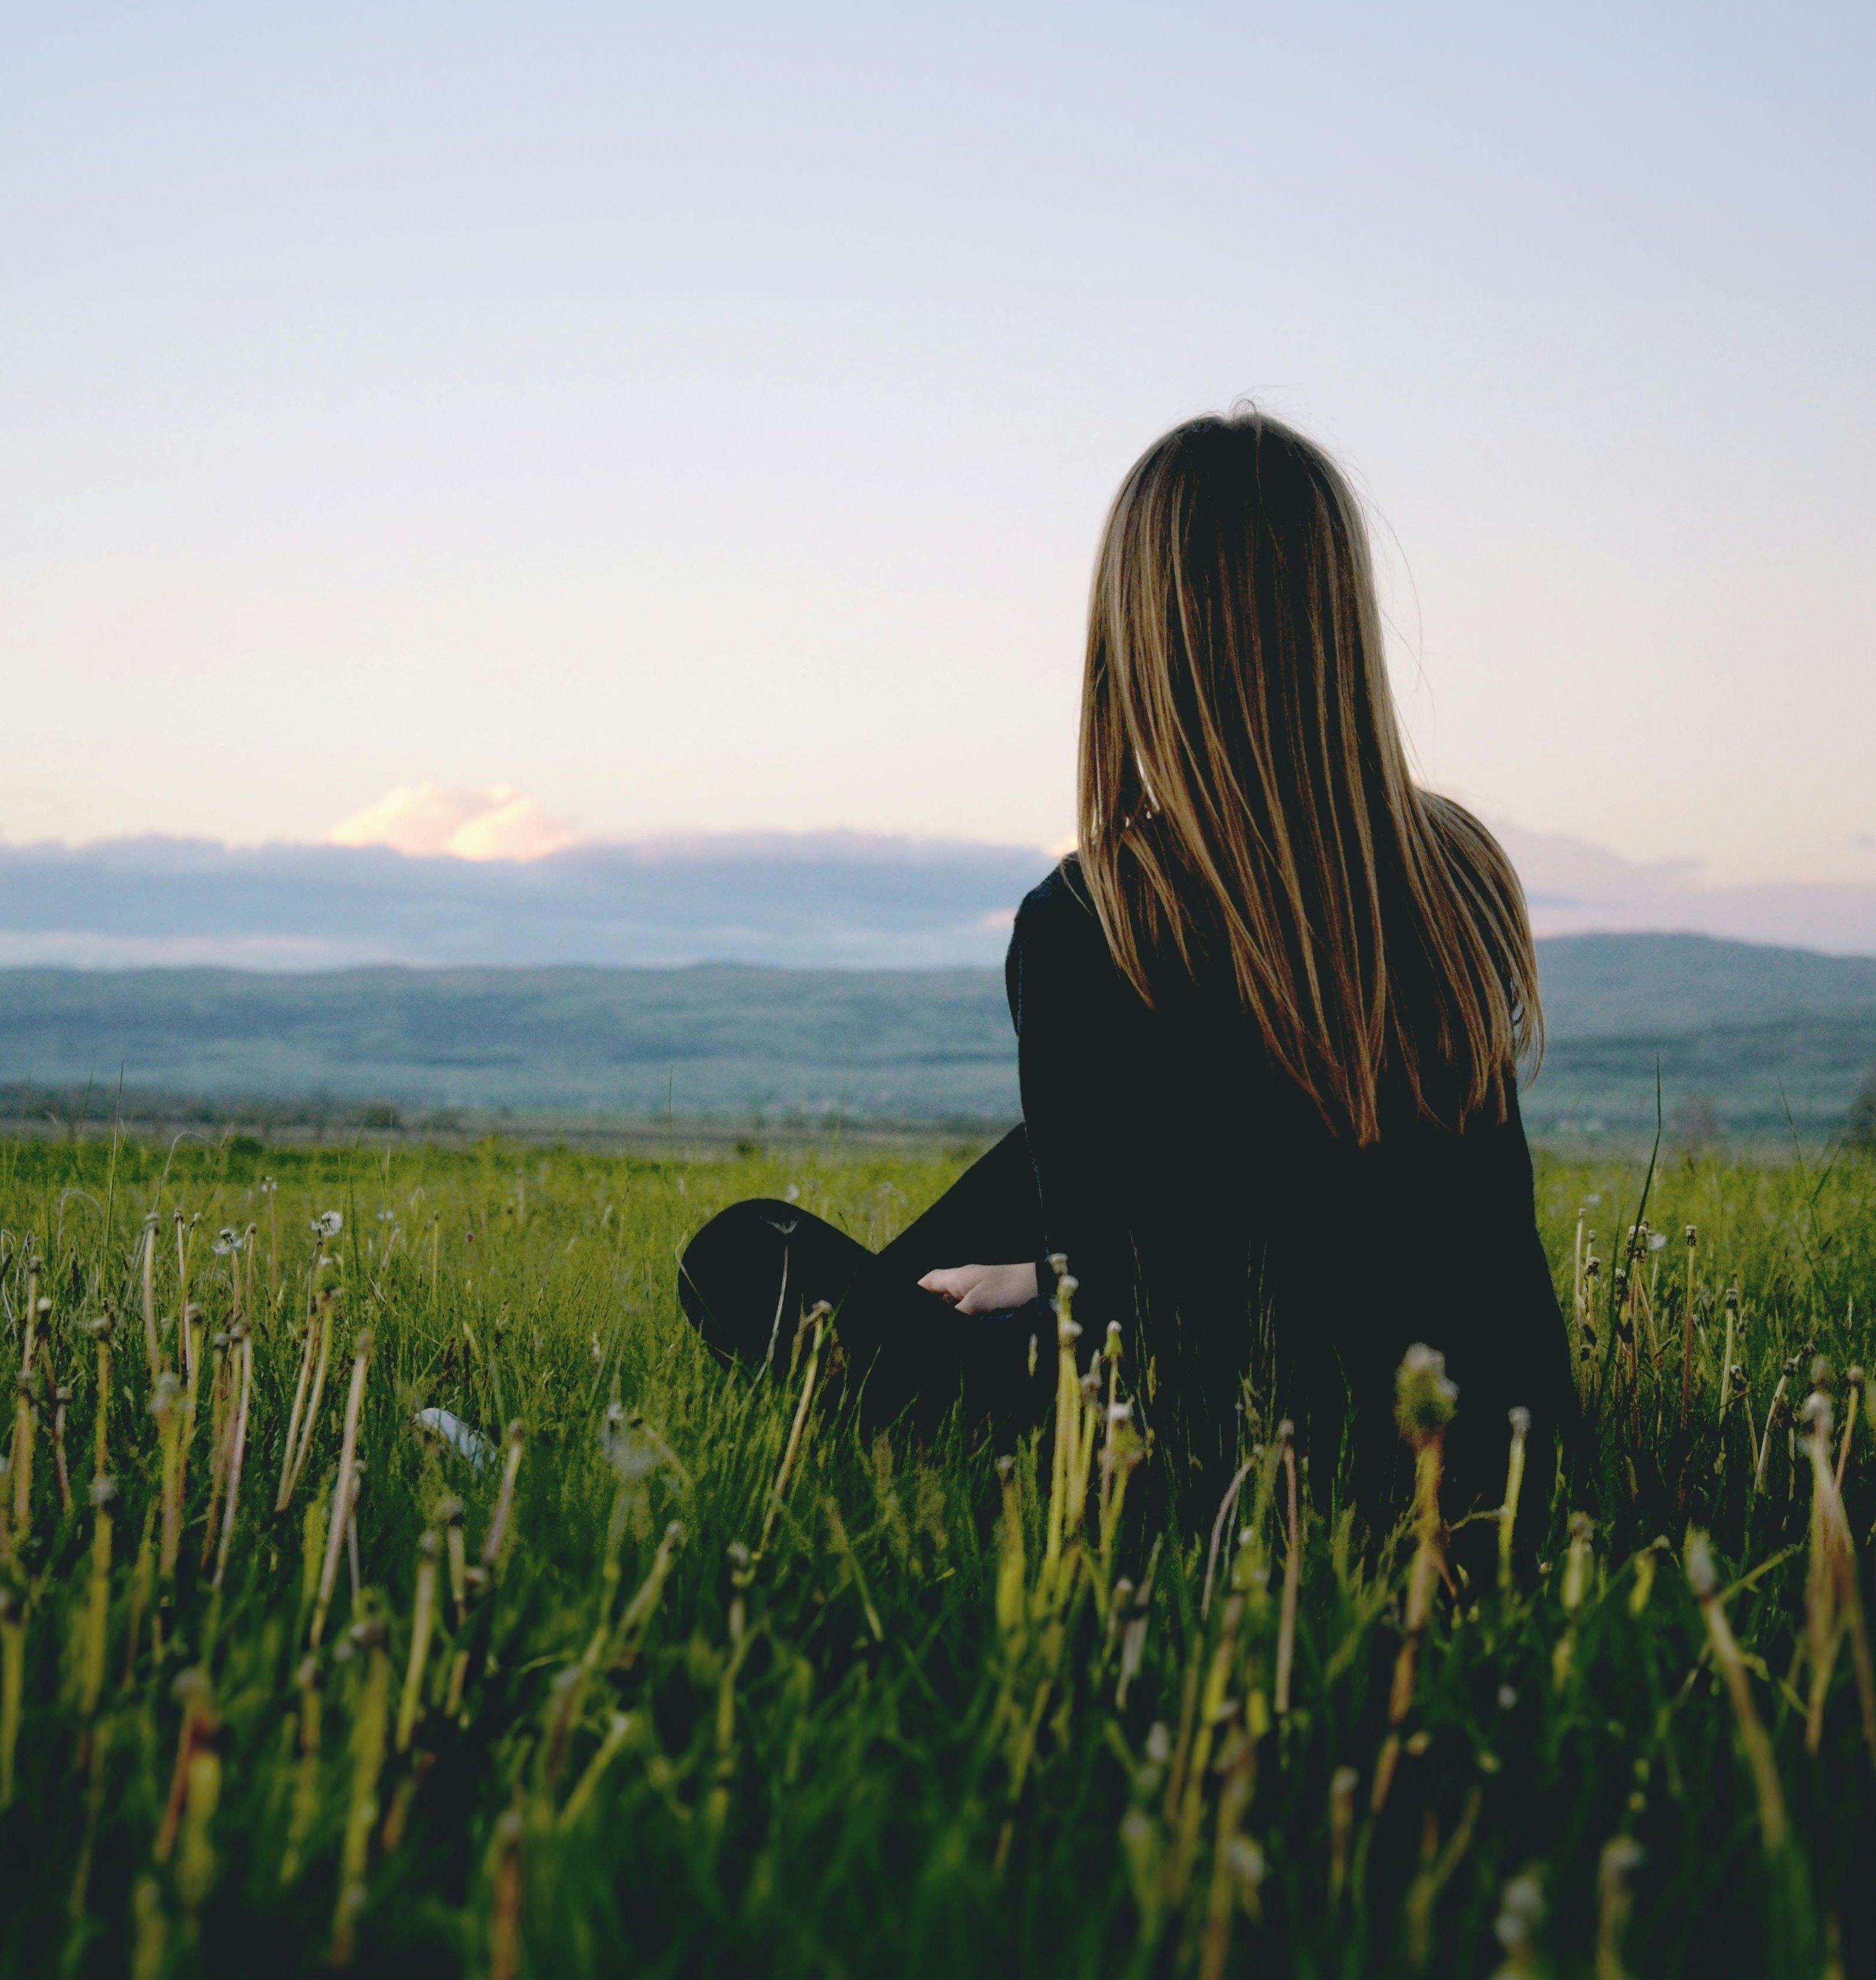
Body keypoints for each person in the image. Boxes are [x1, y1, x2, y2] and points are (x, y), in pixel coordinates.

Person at [679, 410, 1574, 1516]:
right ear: (1340, 620)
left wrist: (1043, 1297)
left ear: (1140, 635)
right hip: (1490, 1448)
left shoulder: (1098, 919)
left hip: (1215, 1464)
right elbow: (1379, 1227)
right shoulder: (1457, 871)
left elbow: (1132, 1343)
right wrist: (1047, 1273)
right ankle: (958, 1297)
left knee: (736, 1257)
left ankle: (889, 1343)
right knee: (1038, 1165)